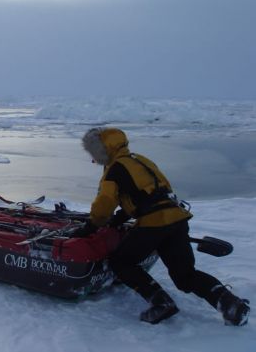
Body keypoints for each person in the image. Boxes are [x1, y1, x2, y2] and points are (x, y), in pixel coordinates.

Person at [81, 127, 250, 325]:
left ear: (103, 150)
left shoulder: (114, 170)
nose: (93, 159)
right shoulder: (140, 160)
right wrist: (121, 217)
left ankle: (160, 302)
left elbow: (103, 206)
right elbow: (150, 193)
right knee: (185, 275)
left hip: (153, 223)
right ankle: (231, 304)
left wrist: (91, 227)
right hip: (176, 219)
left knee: (121, 262)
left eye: (93, 153)